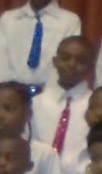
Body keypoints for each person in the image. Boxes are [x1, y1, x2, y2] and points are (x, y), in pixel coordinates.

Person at [0, 0, 84, 98]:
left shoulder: (69, 21)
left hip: (52, 97)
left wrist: (47, 98)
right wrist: (7, 96)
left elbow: (66, 65)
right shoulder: (8, 20)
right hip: (13, 100)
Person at [31, 35, 97, 163]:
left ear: (91, 67)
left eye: (81, 61)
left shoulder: (96, 107)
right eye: (66, 58)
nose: (72, 64)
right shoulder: (35, 104)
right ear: (55, 61)